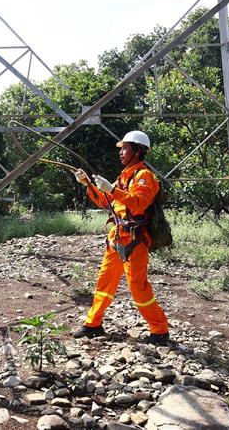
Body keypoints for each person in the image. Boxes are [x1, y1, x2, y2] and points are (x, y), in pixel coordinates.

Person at [72, 131, 169, 345]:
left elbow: (137, 203)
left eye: (125, 148)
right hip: (116, 238)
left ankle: (160, 329)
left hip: (135, 240)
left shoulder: (144, 176)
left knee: (138, 287)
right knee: (104, 283)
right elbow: (106, 202)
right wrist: (88, 184)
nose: (121, 153)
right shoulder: (124, 176)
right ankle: (93, 324)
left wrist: (112, 189)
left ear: (138, 150)